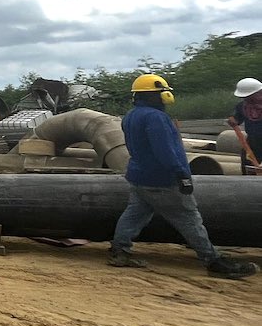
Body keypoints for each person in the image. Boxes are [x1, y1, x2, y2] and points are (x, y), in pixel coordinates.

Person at [108, 74, 257, 279]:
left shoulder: (131, 116)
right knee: (189, 219)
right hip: (162, 179)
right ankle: (213, 260)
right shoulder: (156, 118)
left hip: (138, 176)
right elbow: (165, 151)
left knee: (134, 215)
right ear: (155, 95)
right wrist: (181, 173)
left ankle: (119, 251)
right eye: (163, 93)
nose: (166, 96)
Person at [227, 77, 262, 171]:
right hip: (252, 142)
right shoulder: (243, 106)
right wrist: (233, 120)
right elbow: (237, 118)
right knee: (249, 167)